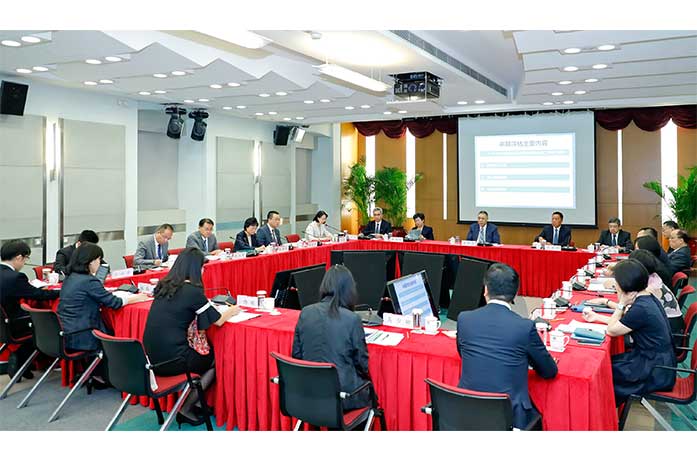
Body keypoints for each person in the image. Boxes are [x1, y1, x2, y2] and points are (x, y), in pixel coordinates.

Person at [143, 248, 240, 426]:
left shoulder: (164, 286)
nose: (203, 271)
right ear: (196, 268)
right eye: (202, 267)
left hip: (151, 357)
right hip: (174, 359)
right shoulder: (192, 291)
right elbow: (218, 321)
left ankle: (196, 402)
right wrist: (233, 310)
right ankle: (187, 407)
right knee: (215, 361)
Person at [456, 263, 557, 429]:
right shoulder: (524, 327)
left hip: (466, 410)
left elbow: (462, 353)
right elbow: (549, 371)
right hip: (511, 416)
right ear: (515, 293)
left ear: (485, 290)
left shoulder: (464, 319)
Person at [582, 259, 676, 406]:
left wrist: (621, 303)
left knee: (600, 372)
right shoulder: (647, 297)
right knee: (606, 364)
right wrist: (597, 317)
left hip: (655, 369)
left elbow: (612, 330)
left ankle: (602, 411)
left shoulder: (641, 308)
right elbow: (626, 323)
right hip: (660, 361)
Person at [292, 265, 372, 411]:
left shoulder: (305, 313)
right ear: (349, 290)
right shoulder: (352, 319)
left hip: (308, 394)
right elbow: (362, 364)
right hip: (344, 397)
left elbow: (296, 355)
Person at [57, 242, 148, 353]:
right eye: (99, 259)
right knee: (120, 339)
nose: (100, 263)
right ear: (91, 261)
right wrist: (137, 298)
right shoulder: (89, 281)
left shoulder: (70, 277)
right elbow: (114, 303)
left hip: (68, 332)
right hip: (85, 335)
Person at [0, 240, 60, 379]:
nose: (25, 263)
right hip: (15, 324)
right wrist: (61, 292)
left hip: (2, 323)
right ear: (19, 257)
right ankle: (21, 359)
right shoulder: (16, 277)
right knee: (47, 325)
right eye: (26, 258)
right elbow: (39, 295)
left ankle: (23, 363)